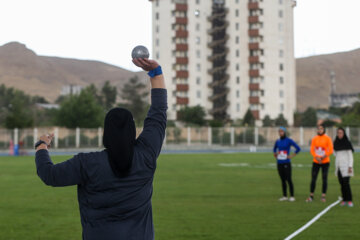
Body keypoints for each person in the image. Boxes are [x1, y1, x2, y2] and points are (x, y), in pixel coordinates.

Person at [34, 58, 167, 240]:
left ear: (106, 133)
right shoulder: (146, 154)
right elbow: (158, 114)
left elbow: (49, 175)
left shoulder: (87, 163)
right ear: (131, 131)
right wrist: (156, 73)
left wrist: (41, 146)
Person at [306, 124, 334, 202]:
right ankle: (311, 196)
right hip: (316, 161)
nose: (320, 130)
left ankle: (323, 196)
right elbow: (312, 150)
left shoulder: (328, 138)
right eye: (318, 129)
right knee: (313, 178)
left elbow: (331, 149)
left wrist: (323, 157)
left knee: (324, 179)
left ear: (324, 130)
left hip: (325, 161)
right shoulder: (314, 139)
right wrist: (317, 157)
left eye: (321, 129)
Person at [273, 127, 301, 202]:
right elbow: (274, 148)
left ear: (284, 132)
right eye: (279, 131)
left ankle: (292, 196)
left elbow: (298, 148)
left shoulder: (289, 140)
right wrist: (275, 153)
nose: (280, 133)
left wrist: (292, 155)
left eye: (282, 131)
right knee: (282, 180)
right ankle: (284, 196)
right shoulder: (277, 141)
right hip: (279, 163)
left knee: (289, 179)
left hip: (286, 163)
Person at [334, 127, 354, 207]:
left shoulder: (347, 143)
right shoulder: (335, 142)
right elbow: (335, 153)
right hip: (338, 167)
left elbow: (350, 156)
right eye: (338, 133)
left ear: (344, 133)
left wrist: (350, 166)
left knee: (346, 184)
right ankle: (344, 200)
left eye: (341, 133)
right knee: (342, 184)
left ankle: (349, 200)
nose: (339, 134)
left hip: (346, 167)